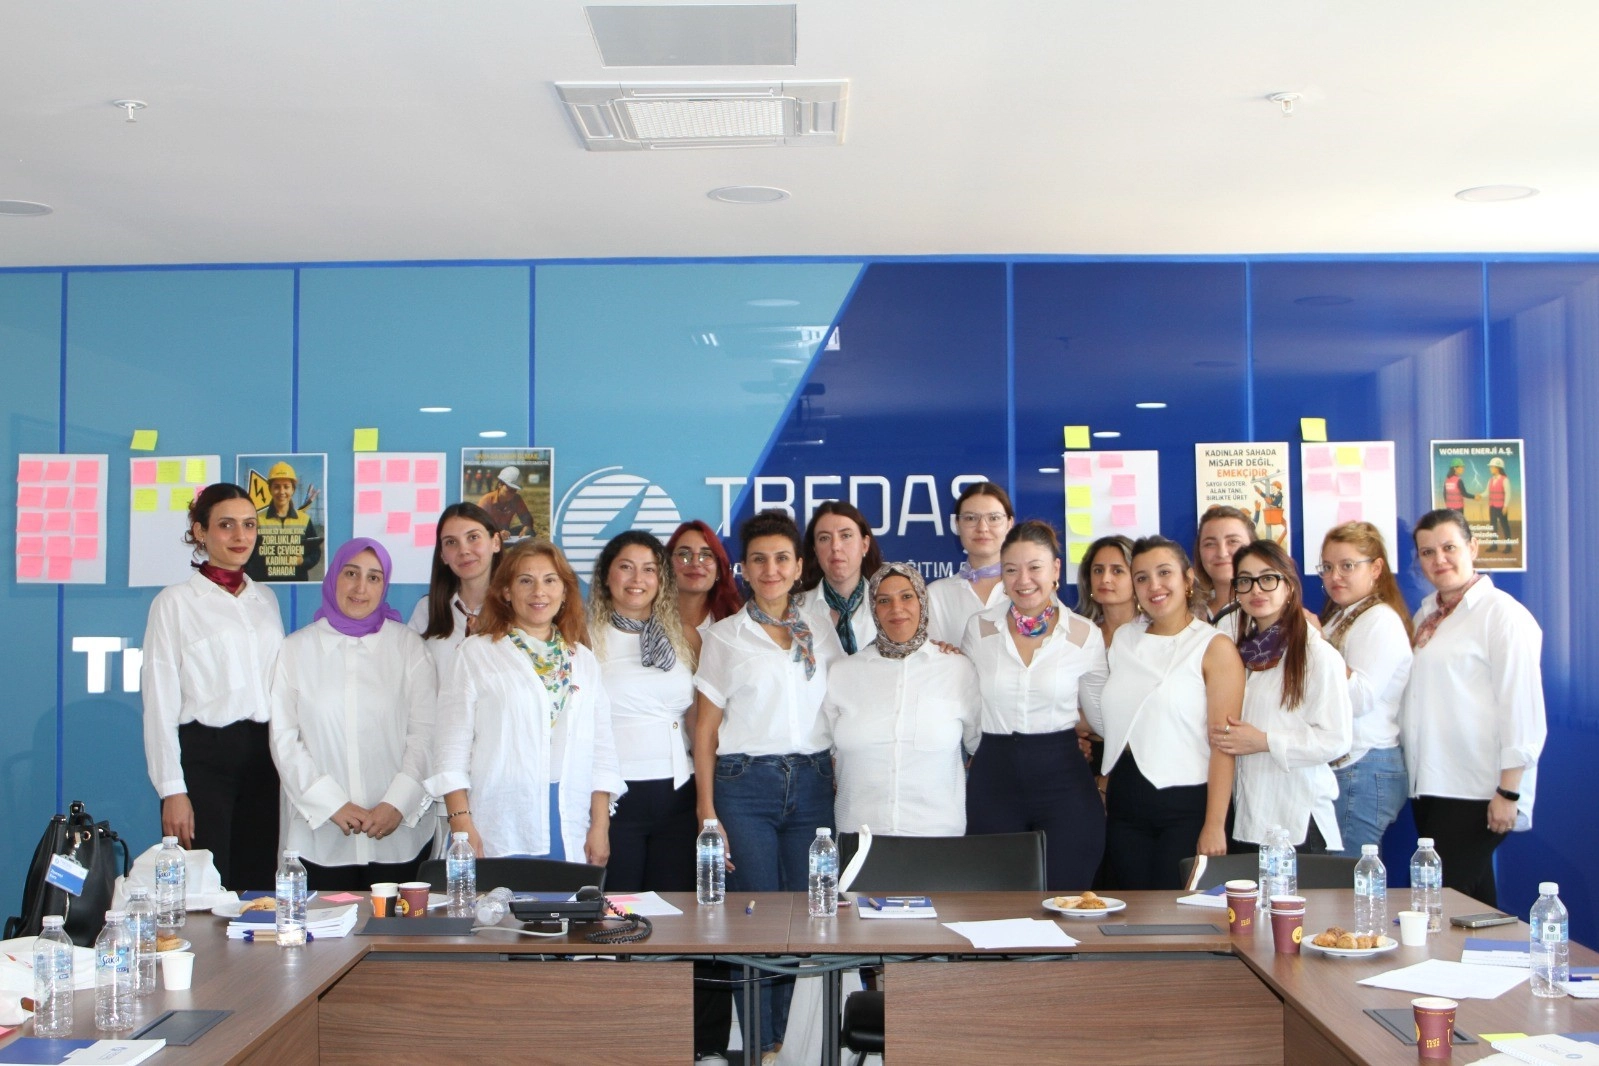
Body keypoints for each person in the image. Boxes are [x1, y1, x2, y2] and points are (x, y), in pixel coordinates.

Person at [694, 510, 844, 1057]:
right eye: (759, 559)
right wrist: (706, 811)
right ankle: (761, 1045)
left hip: (814, 783)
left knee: (809, 916)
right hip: (745, 786)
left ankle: (795, 1044)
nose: (771, 569)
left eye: (782, 558)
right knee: (754, 919)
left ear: (800, 566)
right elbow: (704, 730)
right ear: (744, 568)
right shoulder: (724, 637)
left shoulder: (821, 629)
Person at [429, 539, 624, 861]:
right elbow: (450, 749)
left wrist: (600, 826)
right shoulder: (475, 654)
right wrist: (461, 824)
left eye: (550, 580)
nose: (539, 592)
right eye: (525, 581)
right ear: (506, 591)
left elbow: (602, 750)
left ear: (565, 591)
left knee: (567, 896)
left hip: (570, 822)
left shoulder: (583, 659)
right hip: (497, 822)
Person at [269, 539, 436, 890]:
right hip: (319, 839)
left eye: (374, 577)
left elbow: (426, 734)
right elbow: (284, 739)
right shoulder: (295, 650)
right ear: (333, 577)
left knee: (397, 926)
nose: (361, 588)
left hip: (399, 838)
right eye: (351, 574)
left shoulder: (409, 648)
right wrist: (331, 804)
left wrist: (397, 803)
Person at [141, 483, 284, 890]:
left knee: (258, 890)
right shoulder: (174, 603)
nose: (241, 536)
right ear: (200, 532)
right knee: (203, 891)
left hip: (266, 759)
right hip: (206, 760)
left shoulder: (265, 599)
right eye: (226, 525)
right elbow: (159, 701)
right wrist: (172, 790)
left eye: (249, 525)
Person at [1402, 509, 1545, 906]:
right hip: (1432, 784)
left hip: (1477, 789)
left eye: (1449, 547)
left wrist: (1509, 791)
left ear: (1473, 547)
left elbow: (1522, 707)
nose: (1439, 559)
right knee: (1474, 907)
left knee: (1442, 904)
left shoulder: (1502, 615)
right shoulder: (1427, 615)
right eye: (1427, 552)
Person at [1084, 536, 1243, 890]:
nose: (1154, 585)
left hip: (1187, 803)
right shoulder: (1124, 639)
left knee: (1177, 913)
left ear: (1188, 579)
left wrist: (1214, 824)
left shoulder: (1213, 646)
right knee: (1130, 910)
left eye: (1164, 573)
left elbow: (1224, 744)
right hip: (1126, 801)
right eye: (1142, 577)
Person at [961, 520, 1108, 891]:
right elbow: (967, 702)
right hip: (994, 778)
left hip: (1063, 780)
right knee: (995, 903)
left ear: (1056, 569)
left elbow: (1102, 717)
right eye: (1011, 569)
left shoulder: (1084, 634)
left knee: (1065, 900)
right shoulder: (980, 628)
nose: (1023, 580)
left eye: (1034, 567)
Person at [1211, 541, 1352, 854]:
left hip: (1297, 821)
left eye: (1268, 578)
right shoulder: (1241, 654)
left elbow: (1336, 740)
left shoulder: (1317, 655)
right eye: (1245, 581)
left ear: (1288, 586)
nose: (1256, 590)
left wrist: (1265, 741)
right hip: (1248, 818)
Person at [824, 563, 982, 836]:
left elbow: (980, 746)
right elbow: (823, 754)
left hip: (937, 836)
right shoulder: (843, 673)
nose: (896, 608)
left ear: (922, 602)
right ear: (873, 609)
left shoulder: (957, 669)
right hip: (858, 836)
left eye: (906, 596)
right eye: (884, 600)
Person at [587, 531, 697, 893]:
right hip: (616, 799)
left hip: (679, 796)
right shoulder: (584, 640)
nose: (638, 579)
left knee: (676, 911)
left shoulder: (684, 637)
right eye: (626, 567)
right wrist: (598, 818)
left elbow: (696, 719)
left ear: (661, 579)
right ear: (606, 575)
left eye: (649, 569)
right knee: (619, 909)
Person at [1316, 522, 1413, 857]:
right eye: (1327, 567)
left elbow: (1358, 699)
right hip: (1350, 764)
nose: (1334, 577)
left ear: (1375, 568)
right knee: (1339, 875)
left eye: (1347, 566)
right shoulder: (1344, 616)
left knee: (1347, 877)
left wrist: (1317, 642)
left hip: (1364, 763)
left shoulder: (1380, 620)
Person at [409, 502, 504, 680]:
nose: (463, 550)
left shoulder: (517, 608)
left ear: (496, 542)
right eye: (451, 542)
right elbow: (411, 680)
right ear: (443, 555)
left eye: (473, 537)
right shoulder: (427, 610)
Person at [926, 482, 1015, 646]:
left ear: (1010, 524)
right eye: (970, 518)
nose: (982, 528)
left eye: (994, 518)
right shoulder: (936, 595)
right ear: (957, 525)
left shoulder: (1028, 589)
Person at [797, 501, 883, 655]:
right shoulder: (795, 610)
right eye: (824, 538)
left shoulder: (887, 606)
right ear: (815, 550)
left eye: (846, 536)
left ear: (865, 544)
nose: (835, 546)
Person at [666, 519, 743, 648]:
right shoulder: (646, 621)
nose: (695, 563)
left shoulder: (736, 627)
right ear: (667, 565)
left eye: (706, 555)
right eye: (684, 554)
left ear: (719, 570)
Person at [243, 460, 323, 582]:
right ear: (270, 489)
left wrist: (303, 561)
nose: (281, 492)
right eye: (276, 487)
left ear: (293, 490)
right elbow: (246, 554)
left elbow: (315, 552)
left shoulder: (304, 519)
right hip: (264, 586)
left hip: (296, 585)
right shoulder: (258, 520)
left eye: (286, 487)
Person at [1192, 505, 1254, 629]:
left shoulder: (1270, 612)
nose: (1222, 553)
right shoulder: (1186, 612)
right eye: (1210, 544)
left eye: (1233, 541)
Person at [1074, 534, 1139, 648]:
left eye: (1117, 571)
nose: (1105, 579)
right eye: (1098, 571)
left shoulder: (1153, 632)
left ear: (1138, 578)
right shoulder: (1081, 634)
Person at [477, 466, 537, 540]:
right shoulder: (486, 500)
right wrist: (496, 534)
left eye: (515, 490)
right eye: (510, 489)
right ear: (500, 484)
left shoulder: (516, 499)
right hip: (489, 536)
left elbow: (527, 518)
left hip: (505, 535)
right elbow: (477, 526)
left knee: (530, 532)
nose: (512, 494)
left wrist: (526, 528)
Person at [1485, 456, 1512, 551]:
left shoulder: (1504, 480)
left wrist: (1505, 506)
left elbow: (1508, 493)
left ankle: (1508, 546)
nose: (1490, 468)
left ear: (1497, 468)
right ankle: (1494, 545)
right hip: (1492, 506)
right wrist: (1478, 496)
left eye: (1492, 467)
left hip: (1501, 507)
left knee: (1504, 525)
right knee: (1493, 526)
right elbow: (1487, 492)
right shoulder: (1491, 480)